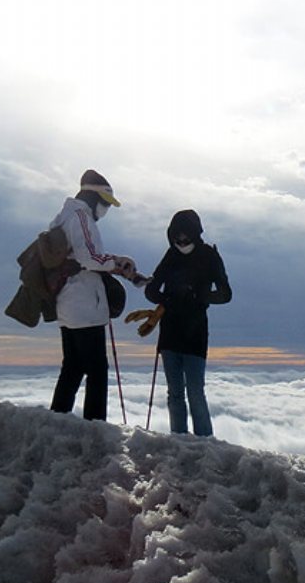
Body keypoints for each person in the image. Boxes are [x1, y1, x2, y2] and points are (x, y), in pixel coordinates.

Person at [50, 169, 141, 420]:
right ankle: (95, 426)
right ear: (93, 197)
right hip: (85, 304)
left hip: (67, 302)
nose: (105, 209)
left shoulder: (63, 216)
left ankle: (57, 419)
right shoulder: (81, 217)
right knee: (97, 369)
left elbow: (79, 257)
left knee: (73, 366)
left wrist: (112, 265)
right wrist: (118, 261)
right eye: (105, 203)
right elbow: (88, 257)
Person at [143, 210, 232, 436]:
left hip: (194, 334)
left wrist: (198, 295)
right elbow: (151, 289)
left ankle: (204, 442)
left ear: (195, 234)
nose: (181, 243)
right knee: (175, 392)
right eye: (177, 239)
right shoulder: (171, 255)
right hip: (171, 332)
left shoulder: (209, 255)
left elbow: (226, 294)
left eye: (185, 238)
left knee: (194, 391)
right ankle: (179, 440)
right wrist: (169, 299)